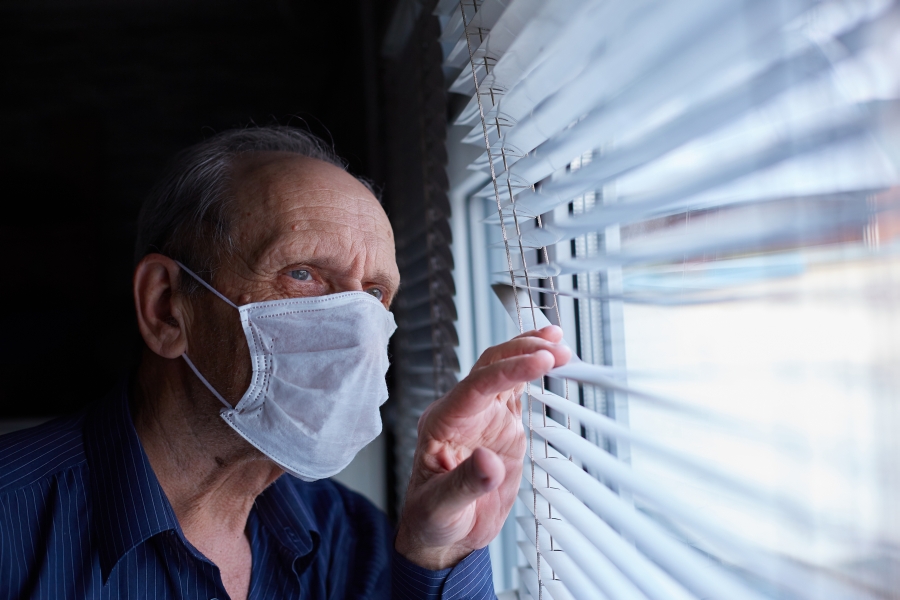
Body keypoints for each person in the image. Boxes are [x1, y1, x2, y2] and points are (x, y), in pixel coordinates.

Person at [0, 127, 570, 599]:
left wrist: (440, 554)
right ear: (167, 307)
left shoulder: (355, 542)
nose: (354, 326)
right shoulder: (13, 520)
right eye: (303, 274)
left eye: (373, 295)